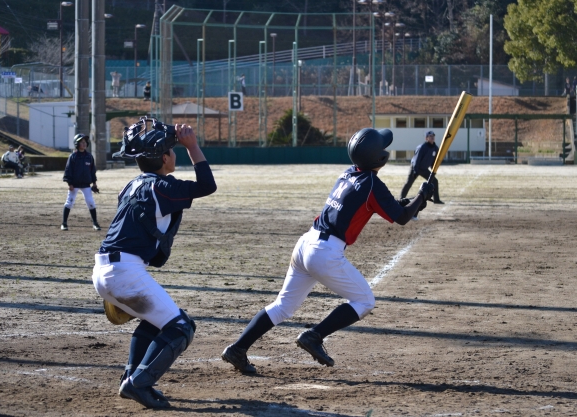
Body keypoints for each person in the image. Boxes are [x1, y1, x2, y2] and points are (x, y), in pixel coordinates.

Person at [221, 128, 433, 374]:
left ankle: (238, 348)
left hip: (305, 244)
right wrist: (421, 196)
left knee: (282, 306)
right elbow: (402, 218)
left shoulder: (348, 173)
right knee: (364, 301)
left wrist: (413, 203)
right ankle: (314, 335)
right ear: (380, 157)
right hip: (324, 253)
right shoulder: (372, 184)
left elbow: (391, 207)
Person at [92, 118, 217, 408]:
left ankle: (131, 377)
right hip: (123, 271)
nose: (174, 153)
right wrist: (192, 146)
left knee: (155, 321)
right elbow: (207, 185)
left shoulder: (131, 185)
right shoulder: (162, 187)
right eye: (171, 150)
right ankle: (139, 383)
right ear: (163, 158)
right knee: (181, 327)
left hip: (104, 269)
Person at [61, 134, 101, 231]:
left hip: (86, 184)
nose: (84, 144)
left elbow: (92, 171)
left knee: (91, 202)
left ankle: (95, 223)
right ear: (77, 144)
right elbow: (68, 170)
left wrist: (94, 183)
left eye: (85, 142)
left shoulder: (89, 157)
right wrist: (69, 183)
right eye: (82, 142)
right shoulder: (73, 156)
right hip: (74, 185)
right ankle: (64, 223)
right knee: (69, 202)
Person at [399, 130, 443, 205]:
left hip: (424, 169)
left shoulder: (435, 148)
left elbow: (434, 160)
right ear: (426, 138)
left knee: (434, 181)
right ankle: (401, 199)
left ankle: (436, 199)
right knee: (408, 183)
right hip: (415, 168)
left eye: (433, 136)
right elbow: (416, 159)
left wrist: (433, 169)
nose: (432, 137)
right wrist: (415, 171)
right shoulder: (422, 147)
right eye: (430, 136)